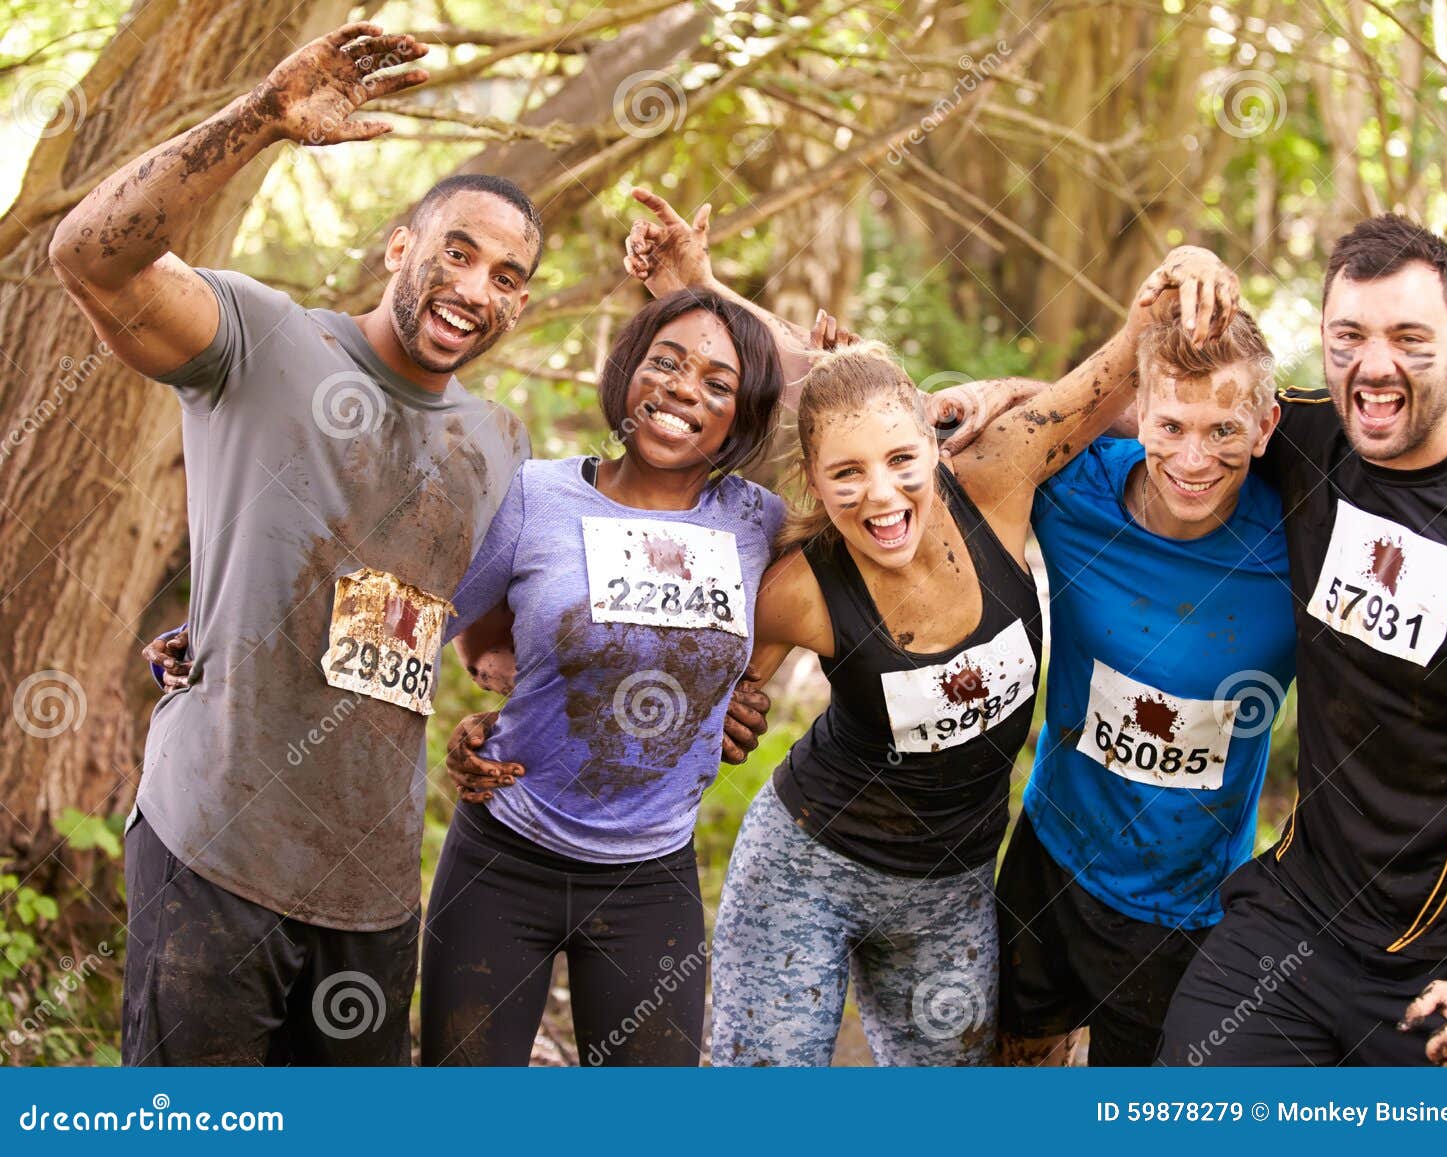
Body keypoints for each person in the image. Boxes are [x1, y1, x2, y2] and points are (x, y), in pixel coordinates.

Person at [619, 197, 1240, 1065]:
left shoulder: (1000, 475)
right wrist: (729, 711)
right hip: (807, 865)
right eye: (846, 475)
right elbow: (727, 694)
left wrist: (1189, 261)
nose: (881, 496)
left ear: (932, 445)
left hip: (950, 889)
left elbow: (1118, 364)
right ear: (815, 478)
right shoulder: (797, 590)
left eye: (902, 463)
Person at [51, 24, 539, 1065]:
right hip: (216, 849)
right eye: (457, 249)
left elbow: (476, 629)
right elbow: (89, 254)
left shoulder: (499, 439)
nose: (474, 286)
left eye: (505, 274)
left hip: (370, 884)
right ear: (400, 245)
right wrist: (260, 118)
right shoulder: (265, 339)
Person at [1158, 214, 1447, 1067]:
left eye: (1409, 338)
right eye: (1349, 336)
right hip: (1301, 922)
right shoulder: (1308, 437)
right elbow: (1158, 410)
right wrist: (969, 401)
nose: (1375, 365)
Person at [418, 285, 791, 1067]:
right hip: (503, 854)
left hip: (651, 880)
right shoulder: (535, 494)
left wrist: (743, 688)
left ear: (743, 416)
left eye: (719, 384)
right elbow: (447, 620)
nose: (685, 388)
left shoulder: (757, 519)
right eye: (666, 362)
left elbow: (861, 441)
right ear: (627, 371)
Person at [991, 305, 1297, 1066]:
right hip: (1051, 856)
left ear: (1265, 427)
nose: (1194, 458)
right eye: (1171, 427)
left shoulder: (1301, 540)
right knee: (1010, 1057)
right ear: (1137, 417)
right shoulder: (1074, 493)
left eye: (1224, 430)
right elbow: (887, 425)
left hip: (1184, 905)